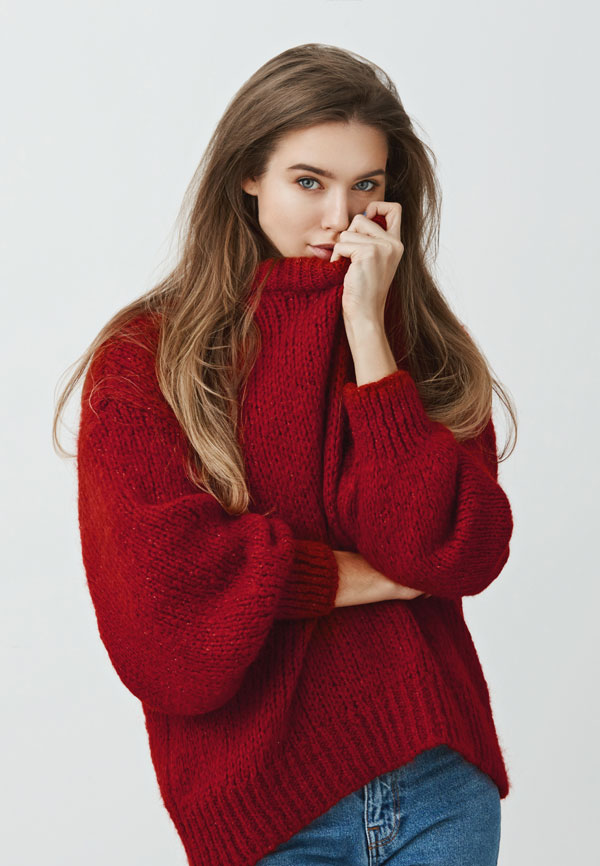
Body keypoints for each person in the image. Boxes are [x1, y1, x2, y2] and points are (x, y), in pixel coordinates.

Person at [53, 43, 517, 866]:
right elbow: (163, 617)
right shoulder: (147, 360)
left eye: (367, 185)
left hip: (438, 781)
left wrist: (368, 332)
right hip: (264, 813)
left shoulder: (421, 349)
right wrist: (363, 578)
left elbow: (450, 550)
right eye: (309, 182)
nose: (341, 215)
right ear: (248, 175)